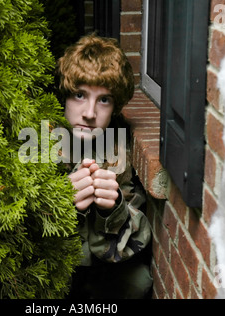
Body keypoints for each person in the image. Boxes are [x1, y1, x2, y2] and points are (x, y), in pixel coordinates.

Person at [55, 34, 153, 299]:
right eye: (79, 95)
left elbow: (135, 242)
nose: (89, 112)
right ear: (65, 95)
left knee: (139, 283)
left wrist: (113, 208)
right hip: (51, 269)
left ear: (115, 107)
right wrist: (59, 203)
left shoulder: (117, 152)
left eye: (104, 100)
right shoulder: (42, 144)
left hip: (99, 269)